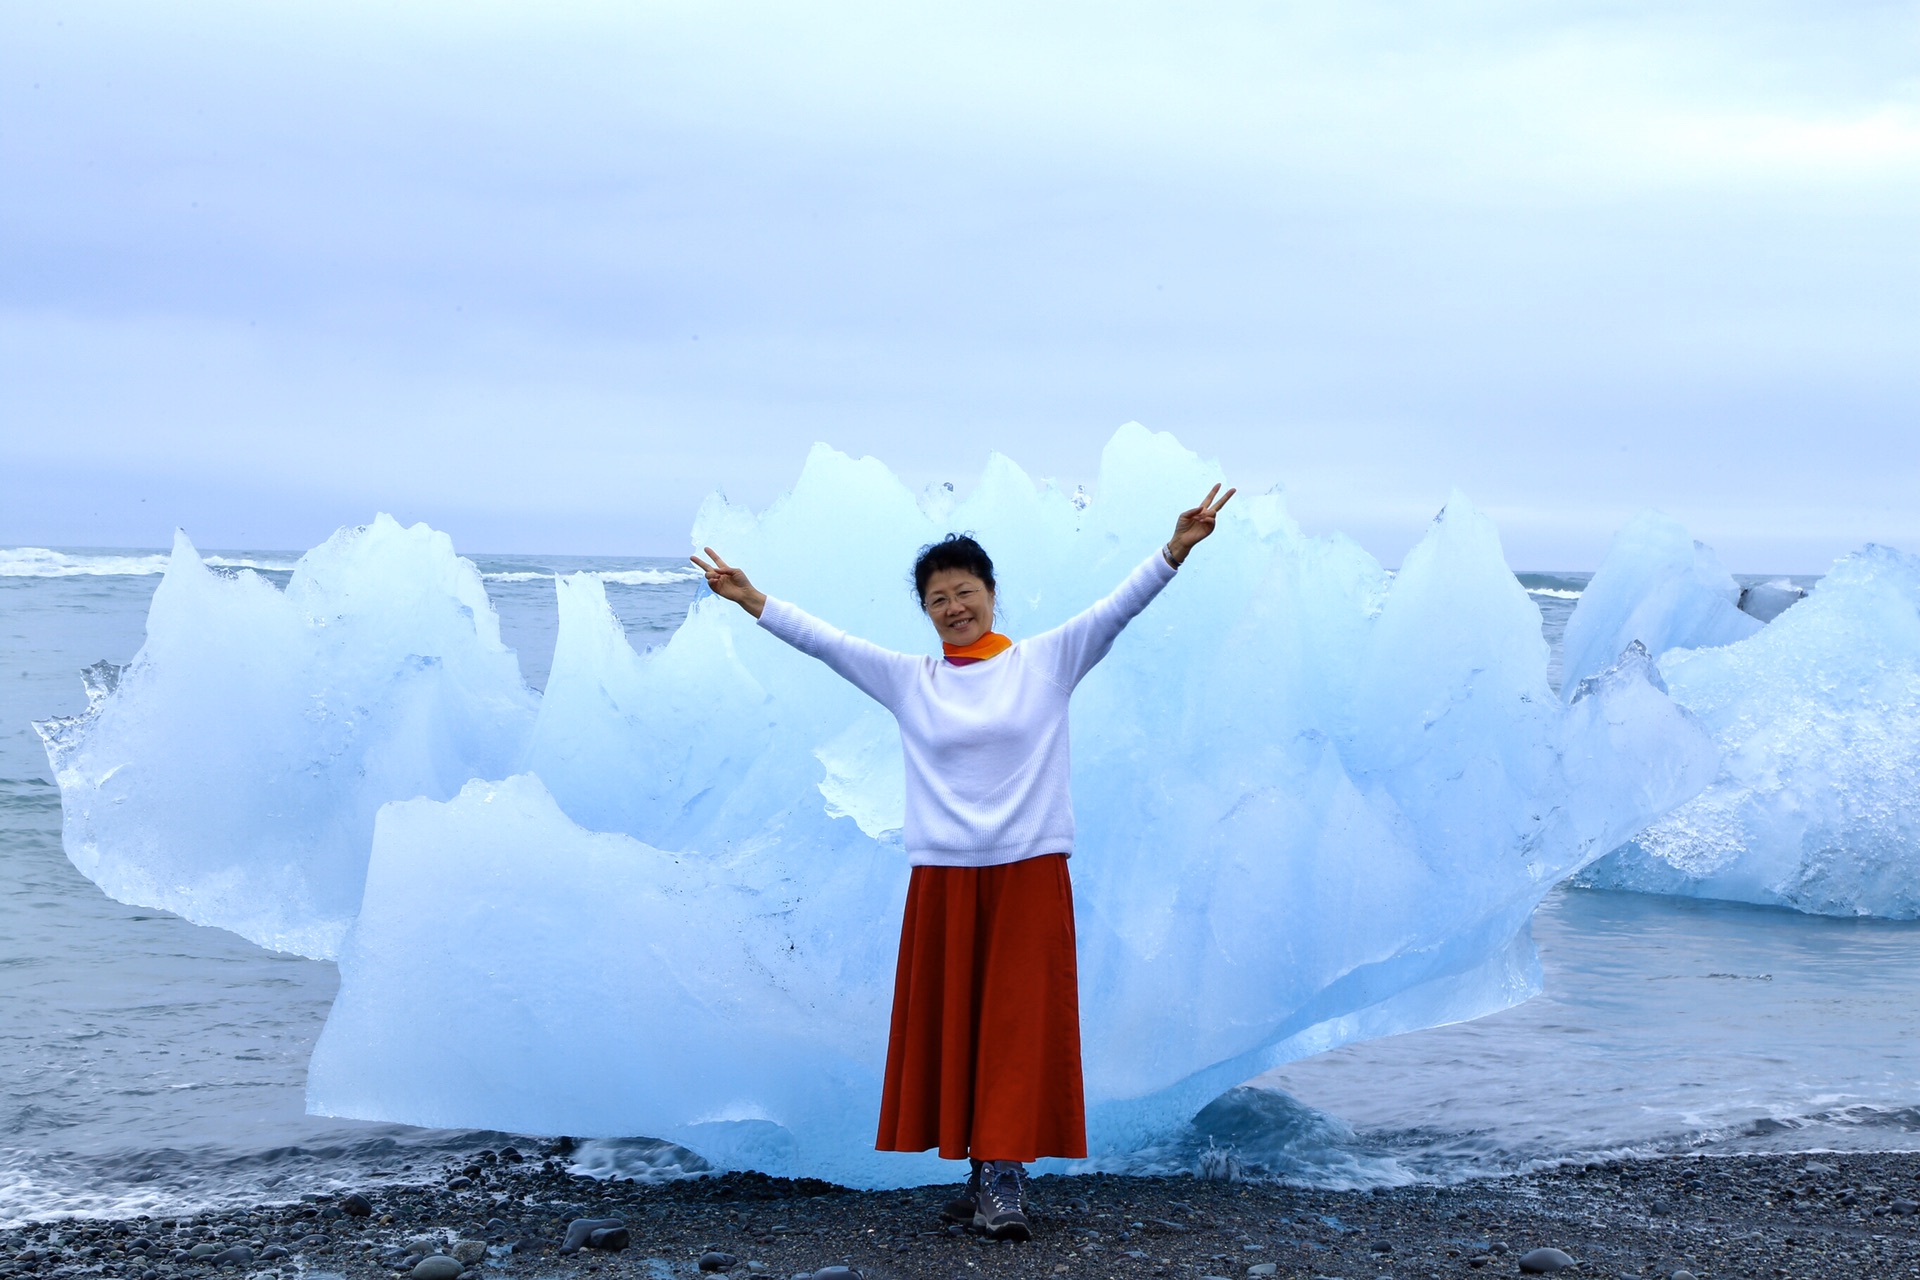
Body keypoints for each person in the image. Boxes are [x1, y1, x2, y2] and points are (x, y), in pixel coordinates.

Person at [691, 483, 1234, 1240]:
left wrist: (1175, 549)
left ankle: (1006, 1183)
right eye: (938, 597)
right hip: (943, 877)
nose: (953, 607)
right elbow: (827, 642)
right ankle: (980, 1172)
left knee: (1016, 1024)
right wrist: (753, 599)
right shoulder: (911, 681)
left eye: (965, 591)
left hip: (1029, 872)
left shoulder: (1046, 662)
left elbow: (1119, 607)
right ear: (926, 610)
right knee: (958, 1027)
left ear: (990, 594)